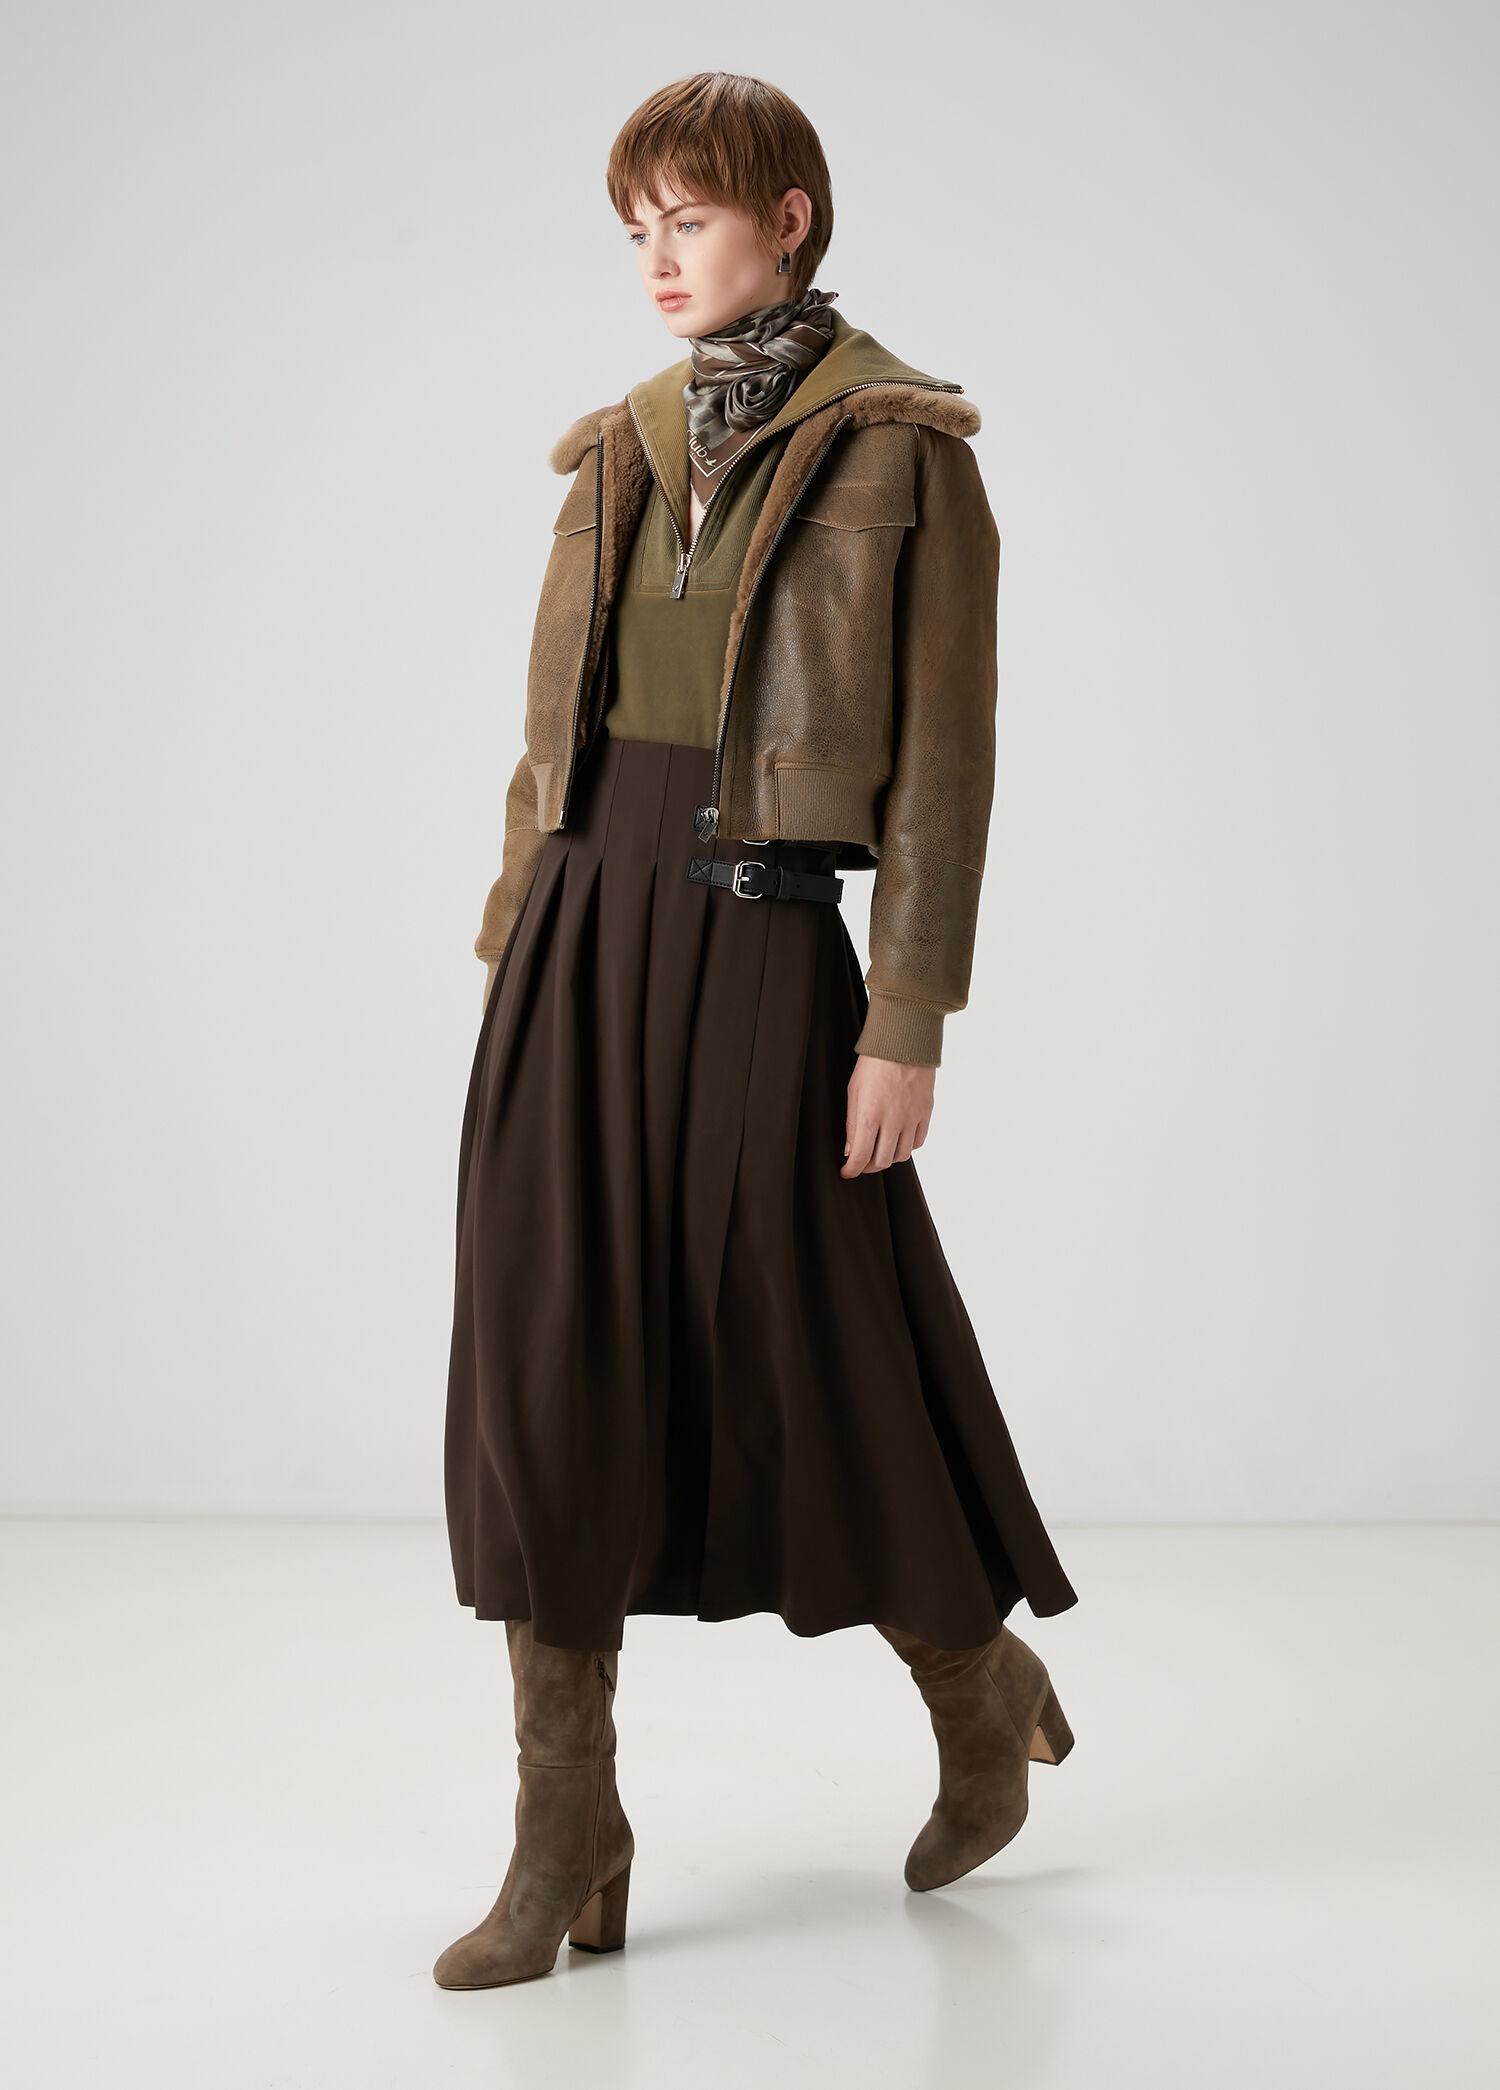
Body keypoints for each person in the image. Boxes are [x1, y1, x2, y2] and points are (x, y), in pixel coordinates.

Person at [433, 71, 1079, 1992]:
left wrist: (909, 1017)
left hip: (763, 928)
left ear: (789, 217)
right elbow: (549, 733)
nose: (656, 257)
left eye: (690, 218)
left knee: (818, 1341)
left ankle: (977, 1686)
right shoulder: (619, 447)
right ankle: (569, 1823)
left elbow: (944, 768)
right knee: (544, 1353)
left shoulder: (904, 451)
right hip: (579, 927)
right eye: (634, 225)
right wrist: (513, 942)